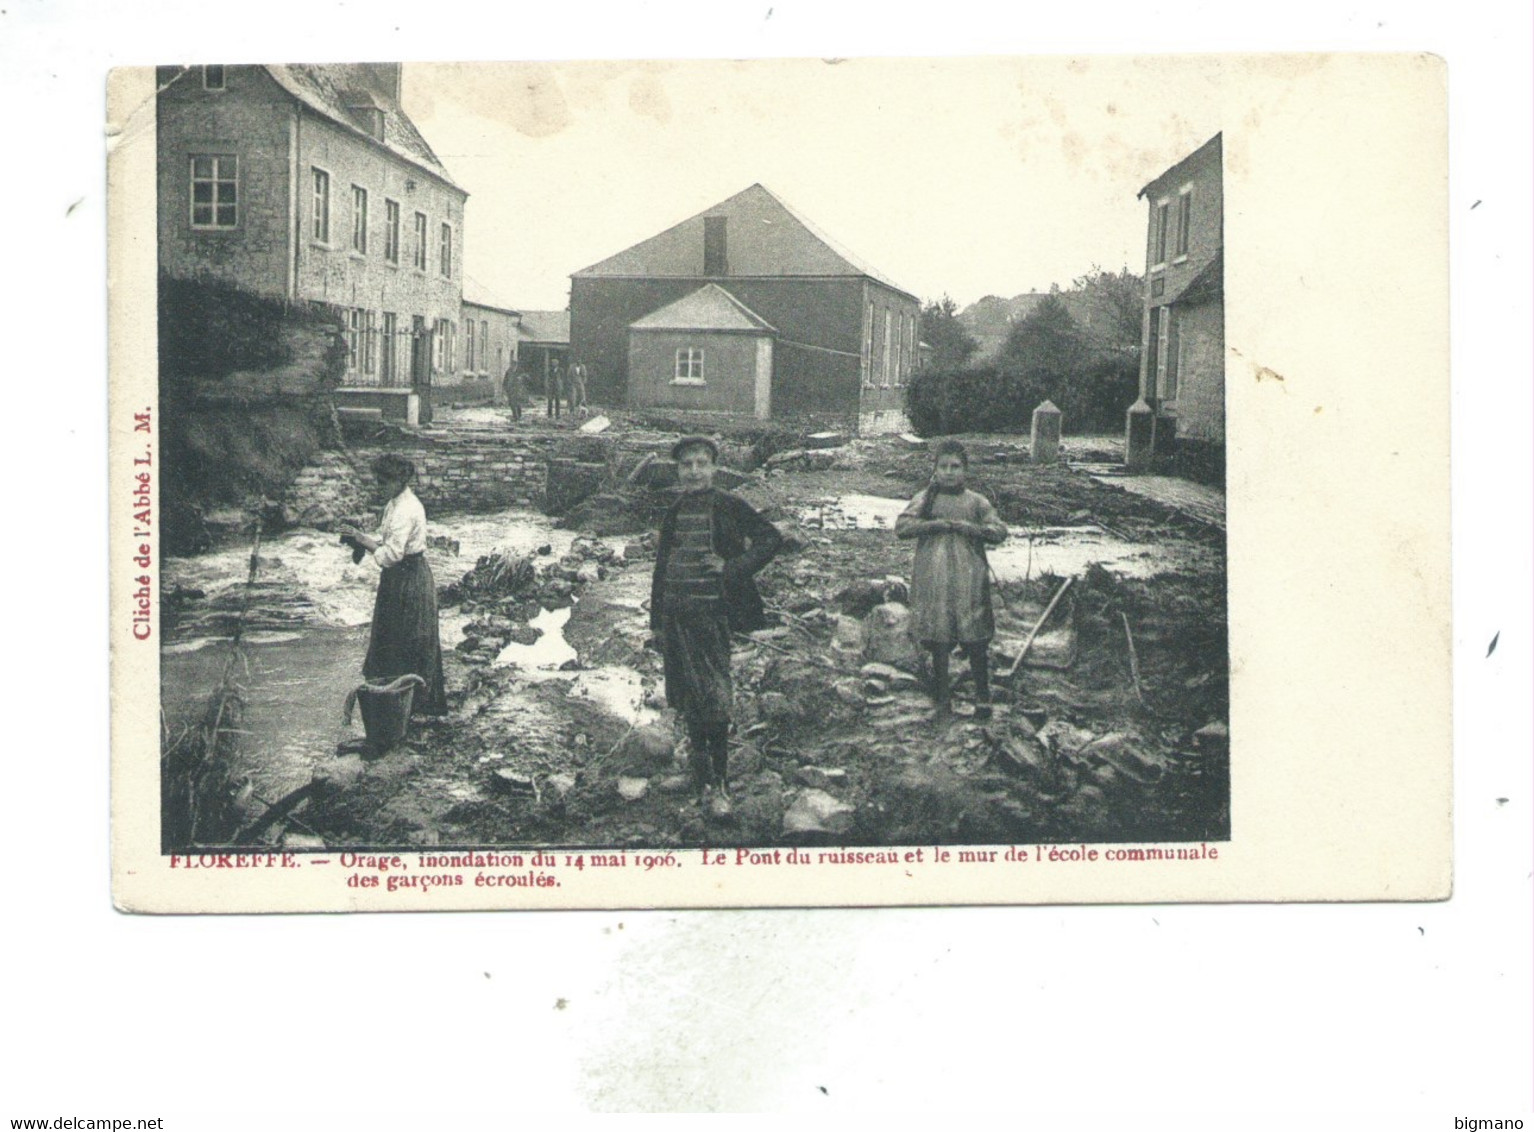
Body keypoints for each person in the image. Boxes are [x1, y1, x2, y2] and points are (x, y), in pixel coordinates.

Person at [649, 436, 783, 818]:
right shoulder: (674, 510)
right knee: (688, 695)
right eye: (687, 465)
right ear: (679, 470)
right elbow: (662, 567)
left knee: (715, 697)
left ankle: (720, 783)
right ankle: (698, 773)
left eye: (701, 464)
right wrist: (657, 622)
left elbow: (769, 538)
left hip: (713, 616)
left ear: (714, 468)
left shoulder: (729, 505)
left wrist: (732, 566)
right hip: (678, 615)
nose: (694, 471)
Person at [895, 439, 1008, 721]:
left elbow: (999, 530)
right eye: (943, 466)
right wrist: (934, 525)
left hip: (970, 580)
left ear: (965, 471)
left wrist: (972, 529)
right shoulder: (925, 498)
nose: (949, 472)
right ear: (935, 470)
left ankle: (983, 698)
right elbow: (902, 526)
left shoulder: (976, 501)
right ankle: (943, 699)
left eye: (955, 467)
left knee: (976, 639)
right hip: (934, 579)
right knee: (939, 638)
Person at [339, 455, 448, 717]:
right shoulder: (394, 504)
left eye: (383, 481)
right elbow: (387, 543)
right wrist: (364, 540)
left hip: (409, 580)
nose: (379, 486)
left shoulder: (406, 509)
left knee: (408, 640)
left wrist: (362, 540)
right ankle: (397, 704)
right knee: (393, 640)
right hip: (399, 579)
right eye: (378, 481)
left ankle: (413, 705)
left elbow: (391, 555)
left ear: (400, 480)